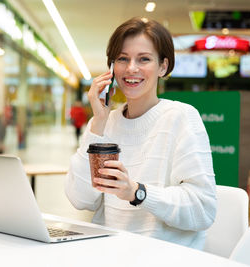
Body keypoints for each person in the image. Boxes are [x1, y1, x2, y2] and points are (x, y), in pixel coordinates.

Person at [65, 17, 216, 249]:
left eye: (144, 59)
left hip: (164, 256)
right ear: (111, 68)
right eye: (122, 59)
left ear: (163, 67)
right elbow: (80, 199)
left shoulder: (182, 118)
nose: (131, 68)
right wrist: (98, 123)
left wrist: (137, 192)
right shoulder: (105, 122)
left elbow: (203, 209)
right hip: (111, 253)